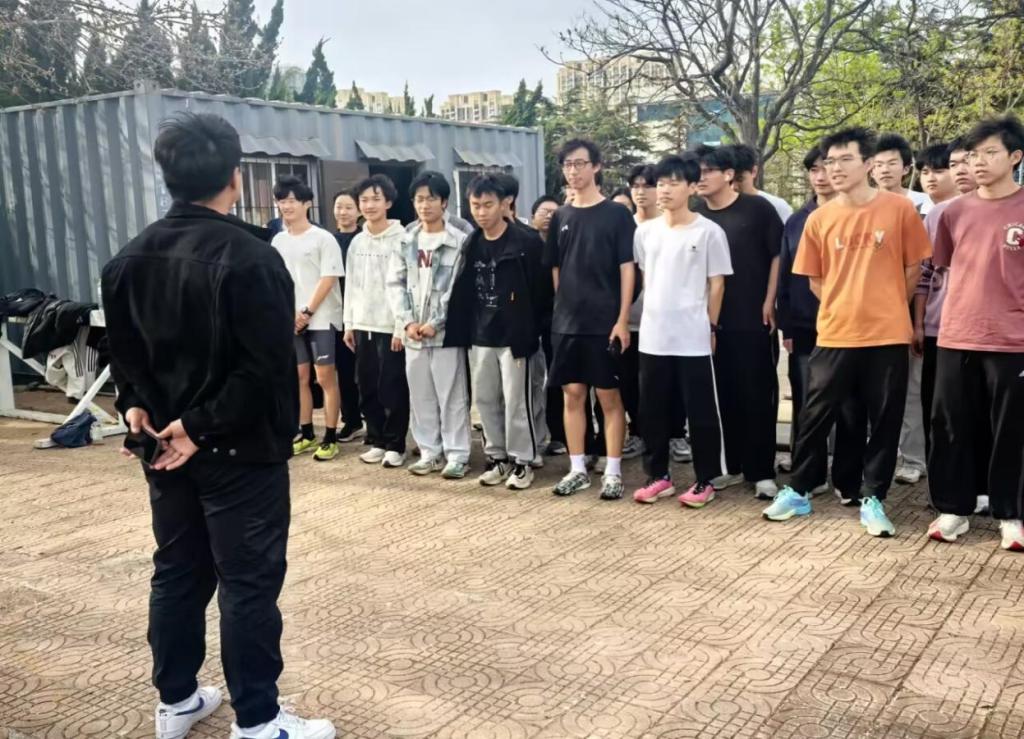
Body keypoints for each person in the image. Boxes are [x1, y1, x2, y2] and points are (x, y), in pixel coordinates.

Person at [101, 113, 334, 739]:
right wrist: (194, 425)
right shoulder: (253, 259)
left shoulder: (126, 259)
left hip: (165, 448)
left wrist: (136, 406)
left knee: (177, 571)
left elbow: (123, 355)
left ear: (169, 176)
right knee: (247, 582)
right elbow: (264, 371)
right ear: (235, 177)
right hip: (236, 451)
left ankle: (176, 700)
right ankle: (258, 721)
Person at [764, 126, 931, 538]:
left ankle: (873, 497)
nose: (834, 169)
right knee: (814, 414)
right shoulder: (819, 218)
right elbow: (815, 280)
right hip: (835, 333)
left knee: (884, 418)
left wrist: (887, 304)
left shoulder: (899, 210)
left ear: (868, 164)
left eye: (844, 160)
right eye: (829, 161)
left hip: (887, 334)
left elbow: (913, 269)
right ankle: (799, 490)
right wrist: (846, 303)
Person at [926, 115, 1024, 550]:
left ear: (1015, 157)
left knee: (1011, 429)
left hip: (1013, 338)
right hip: (957, 334)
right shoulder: (953, 212)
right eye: (972, 155)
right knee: (950, 424)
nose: (978, 162)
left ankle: (1011, 513)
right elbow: (946, 266)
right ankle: (953, 509)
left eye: (989, 153)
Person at [630, 154, 732, 506]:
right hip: (653, 336)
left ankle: (706, 479)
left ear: (691, 187)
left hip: (693, 337)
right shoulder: (645, 232)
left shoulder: (709, 232)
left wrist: (711, 326)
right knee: (652, 410)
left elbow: (717, 284)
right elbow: (647, 277)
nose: (664, 190)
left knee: (700, 412)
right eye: (660, 183)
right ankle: (658, 476)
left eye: (673, 183)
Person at [545, 139, 637, 500]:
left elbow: (627, 268)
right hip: (567, 325)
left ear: (596, 166)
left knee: (609, 397)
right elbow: (556, 268)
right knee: (572, 395)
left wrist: (622, 319)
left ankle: (612, 471)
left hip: (605, 323)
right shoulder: (561, 217)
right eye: (567, 165)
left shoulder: (616, 215)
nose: (573, 171)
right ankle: (577, 469)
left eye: (580, 163)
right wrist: (563, 309)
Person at [693, 144, 783, 501]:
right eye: (697, 172)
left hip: (752, 316)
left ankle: (762, 471)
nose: (700, 178)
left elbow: (777, 255)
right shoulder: (696, 214)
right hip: (709, 322)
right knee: (722, 394)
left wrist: (769, 300)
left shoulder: (757, 209)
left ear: (729, 174)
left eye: (707, 171)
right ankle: (730, 465)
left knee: (756, 394)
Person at [777, 146, 865, 501]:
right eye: (814, 169)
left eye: (826, 166)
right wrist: (786, 326)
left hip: (849, 326)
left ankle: (848, 480)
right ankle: (810, 476)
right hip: (805, 326)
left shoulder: (857, 214)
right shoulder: (797, 221)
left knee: (850, 405)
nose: (821, 175)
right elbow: (786, 275)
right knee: (807, 403)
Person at [386, 171, 472, 479]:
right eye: (419, 199)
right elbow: (395, 283)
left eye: (431, 199)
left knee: (452, 395)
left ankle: (457, 454)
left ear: (444, 202)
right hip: (414, 335)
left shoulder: (458, 241)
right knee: (420, 395)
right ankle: (429, 452)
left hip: (445, 334)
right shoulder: (406, 240)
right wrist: (407, 321)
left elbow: (457, 288)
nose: (425, 205)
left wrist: (436, 322)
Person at [465, 174, 548, 489]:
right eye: (476, 205)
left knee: (517, 401)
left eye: (488, 205)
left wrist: (532, 329)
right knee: (486, 400)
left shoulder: (526, 242)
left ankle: (523, 461)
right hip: (480, 334)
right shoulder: (472, 243)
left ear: (504, 204)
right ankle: (497, 457)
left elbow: (542, 292)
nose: (481, 212)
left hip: (516, 336)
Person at [914, 139, 980, 465]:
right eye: (954, 164)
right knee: (939, 411)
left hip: (993, 334)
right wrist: (918, 323)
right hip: (939, 329)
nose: (961, 169)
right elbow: (925, 274)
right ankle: (942, 483)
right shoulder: (939, 214)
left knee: (983, 413)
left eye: (967, 161)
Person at [271, 176, 345, 463]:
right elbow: (278, 280)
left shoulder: (323, 238)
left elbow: (329, 278)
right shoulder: (278, 240)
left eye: (292, 200)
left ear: (307, 204)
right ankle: (307, 433)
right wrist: (291, 315)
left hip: (320, 318)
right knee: (300, 377)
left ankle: (330, 436)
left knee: (324, 377)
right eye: (282, 201)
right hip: (291, 320)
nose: (286, 206)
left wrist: (307, 312)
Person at [343, 174, 410, 468]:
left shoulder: (402, 239)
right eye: (364, 200)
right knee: (367, 385)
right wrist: (349, 323)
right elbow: (351, 284)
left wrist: (400, 325)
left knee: (392, 386)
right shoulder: (357, 241)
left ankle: (396, 444)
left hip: (390, 325)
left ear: (389, 203)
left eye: (375, 199)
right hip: (362, 324)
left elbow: (406, 285)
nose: (369, 205)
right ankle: (377, 439)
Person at [531, 195, 568, 456]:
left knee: (556, 376)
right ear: (533, 215)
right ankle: (535, 433)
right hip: (532, 318)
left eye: (554, 212)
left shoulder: (564, 243)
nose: (548, 216)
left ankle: (558, 434)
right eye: (544, 211)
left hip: (559, 319)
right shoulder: (527, 243)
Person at [332, 190, 364, 442]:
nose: (343, 212)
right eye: (339, 207)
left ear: (359, 211)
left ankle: (375, 420)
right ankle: (351, 420)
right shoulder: (328, 240)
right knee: (344, 371)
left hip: (363, 312)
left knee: (366, 370)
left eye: (348, 207)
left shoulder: (364, 239)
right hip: (336, 313)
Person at [729, 143, 794, 223]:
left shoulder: (777, 206)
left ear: (754, 171)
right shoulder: (720, 209)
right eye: (729, 181)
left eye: (740, 179)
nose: (734, 187)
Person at [873, 133, 933, 215]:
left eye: (892, 163)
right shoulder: (860, 205)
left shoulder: (925, 202)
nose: (885, 170)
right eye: (879, 165)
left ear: (906, 169)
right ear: (872, 172)